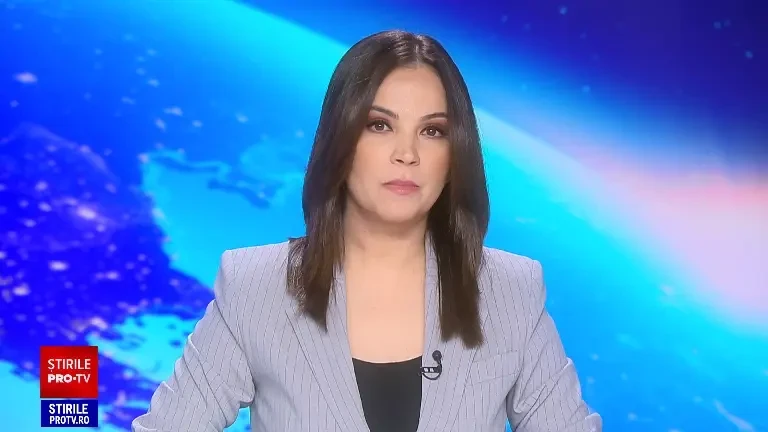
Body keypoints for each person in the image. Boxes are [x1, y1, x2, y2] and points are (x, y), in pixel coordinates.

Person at [131, 30, 601, 432]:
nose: (407, 154)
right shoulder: (257, 286)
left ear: (454, 154)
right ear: (341, 139)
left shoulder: (510, 290)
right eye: (380, 125)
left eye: (432, 131)